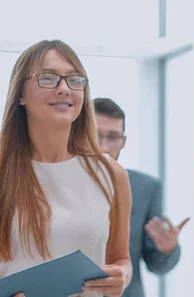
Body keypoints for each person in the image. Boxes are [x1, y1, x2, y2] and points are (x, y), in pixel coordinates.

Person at [0, 40, 132, 297]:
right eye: (48, 78)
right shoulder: (4, 172)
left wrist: (122, 276)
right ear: (21, 94)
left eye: (74, 79)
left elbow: (120, 258)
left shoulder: (111, 174)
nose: (64, 89)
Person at [92, 97, 188, 297]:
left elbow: (157, 266)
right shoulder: (56, 182)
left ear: (123, 141)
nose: (104, 147)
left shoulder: (146, 187)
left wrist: (168, 248)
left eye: (113, 137)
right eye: (95, 136)